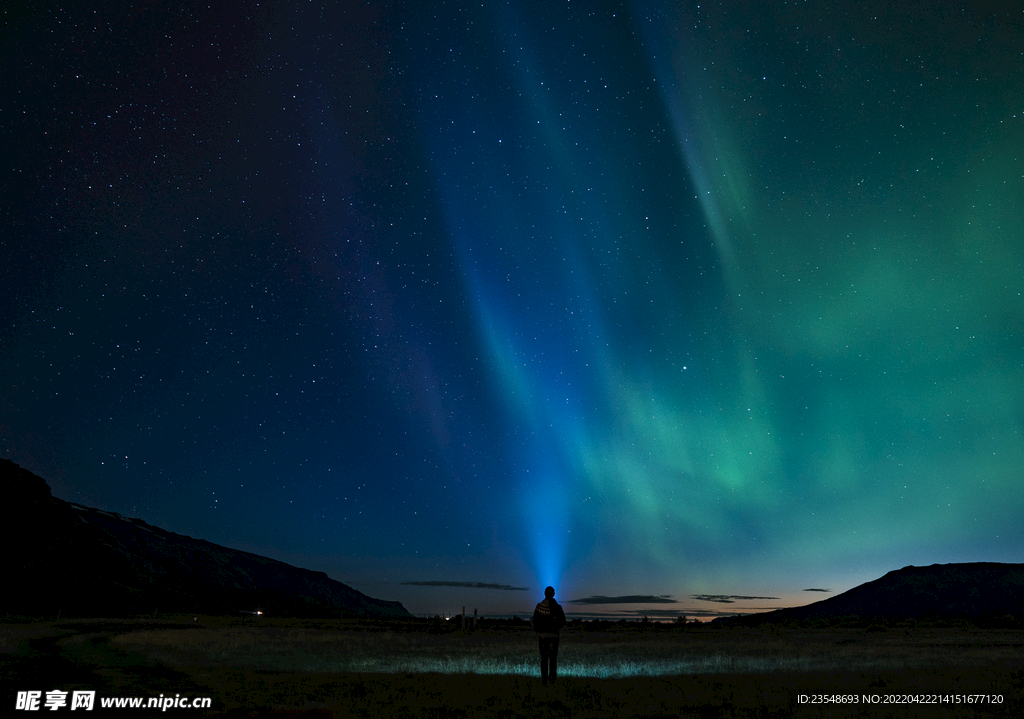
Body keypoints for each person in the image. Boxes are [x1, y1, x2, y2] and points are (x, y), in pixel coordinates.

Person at [532, 586, 567, 684]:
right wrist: (555, 628)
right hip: (554, 637)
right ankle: (552, 680)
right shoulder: (558, 608)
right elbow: (563, 621)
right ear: (553, 594)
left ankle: (544, 681)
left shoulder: (539, 607)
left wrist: (540, 630)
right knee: (553, 659)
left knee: (544, 659)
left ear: (545, 593)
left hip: (542, 637)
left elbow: (535, 622)